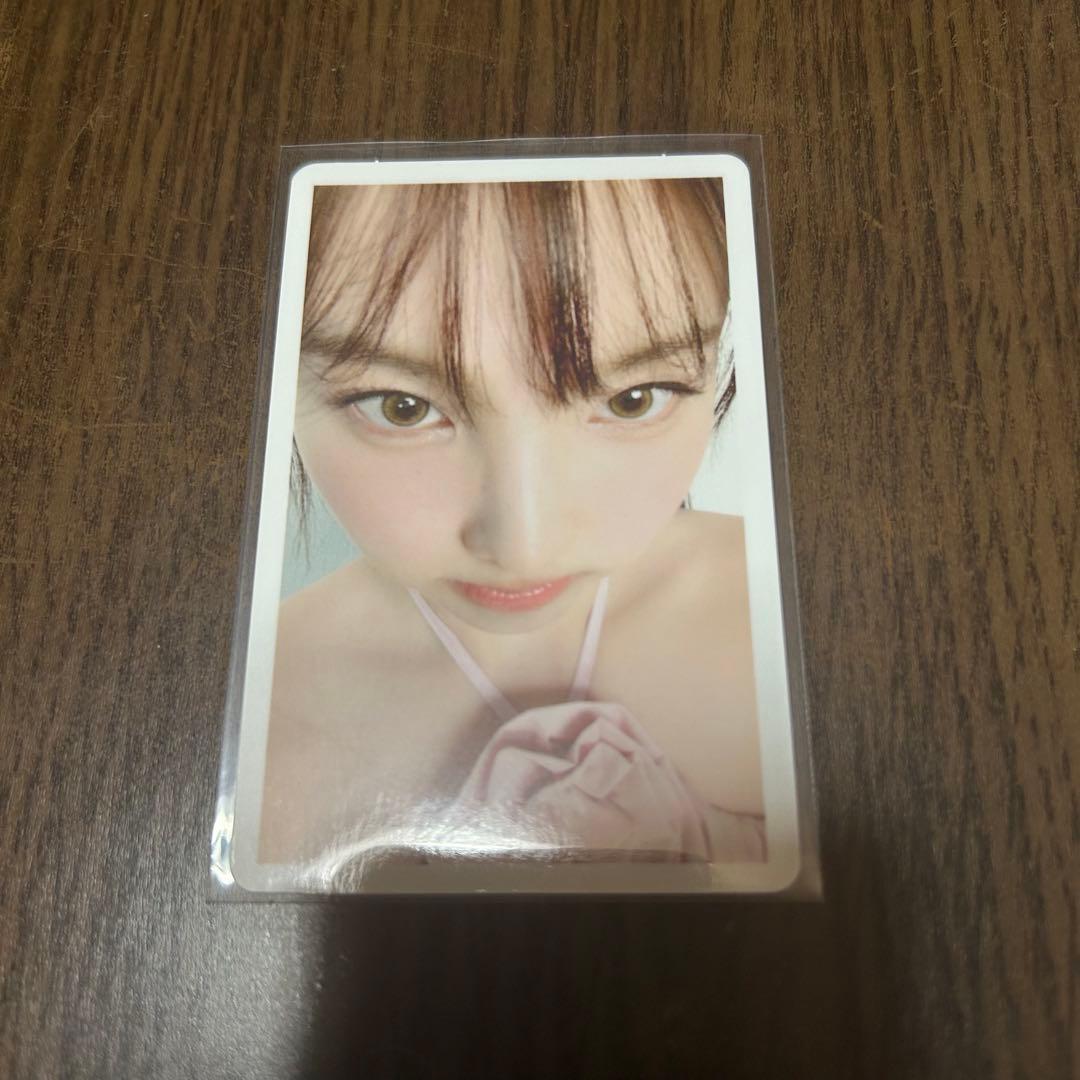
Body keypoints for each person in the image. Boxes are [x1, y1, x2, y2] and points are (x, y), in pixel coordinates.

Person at [259, 177, 765, 880]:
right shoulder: (247, 727)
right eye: (402, 407)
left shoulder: (810, 625)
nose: (526, 546)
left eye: (633, 398)